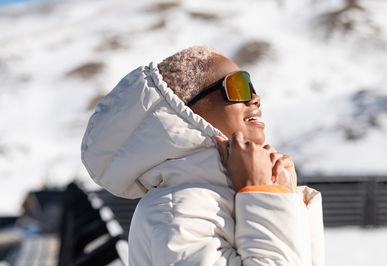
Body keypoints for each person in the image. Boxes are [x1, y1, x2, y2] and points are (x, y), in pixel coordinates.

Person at [81, 46, 324, 265]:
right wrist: (263, 194)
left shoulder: (211, 196)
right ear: (184, 110)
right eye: (238, 85)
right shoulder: (175, 212)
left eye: (251, 86)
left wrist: (282, 191)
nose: (256, 98)